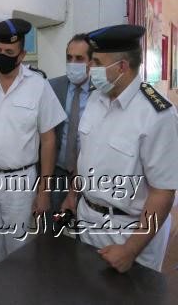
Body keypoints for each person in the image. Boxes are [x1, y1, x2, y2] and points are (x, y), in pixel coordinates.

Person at [62, 24, 178, 272]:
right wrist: (73, 193)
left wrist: (131, 249)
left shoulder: (157, 114)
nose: (89, 68)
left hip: (128, 232)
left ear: (122, 66)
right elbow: (87, 154)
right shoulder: (96, 98)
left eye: (96, 62)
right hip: (87, 220)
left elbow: (163, 192)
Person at [0, 18, 66, 273]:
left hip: (21, 182)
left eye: (9, 52)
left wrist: (44, 190)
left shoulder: (38, 85)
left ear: (22, 54)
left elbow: (48, 139)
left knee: (20, 253)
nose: (2, 57)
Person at [49, 34, 94, 215]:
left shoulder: (101, 92)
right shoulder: (52, 87)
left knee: (83, 226)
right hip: (57, 171)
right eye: (69, 58)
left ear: (91, 62)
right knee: (52, 222)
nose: (73, 63)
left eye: (79, 58)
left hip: (88, 174)